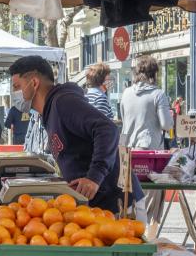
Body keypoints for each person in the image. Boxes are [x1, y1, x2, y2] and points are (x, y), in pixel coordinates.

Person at [8, 55, 144, 216]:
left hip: (119, 204)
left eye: (17, 87)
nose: (15, 94)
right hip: (98, 207)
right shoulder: (49, 111)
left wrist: (94, 177)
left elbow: (107, 129)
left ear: (35, 83)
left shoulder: (63, 102)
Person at [120, 55, 174, 238]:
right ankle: (150, 238)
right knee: (151, 201)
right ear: (154, 73)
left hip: (127, 153)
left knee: (129, 199)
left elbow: (123, 120)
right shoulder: (158, 94)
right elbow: (166, 124)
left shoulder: (126, 93)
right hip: (150, 156)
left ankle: (129, 235)